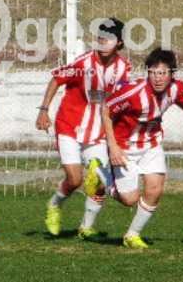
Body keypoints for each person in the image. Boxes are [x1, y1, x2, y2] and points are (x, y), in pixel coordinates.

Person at [102, 47, 183, 249]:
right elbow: (106, 109)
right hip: (125, 147)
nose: (157, 78)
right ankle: (101, 180)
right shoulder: (133, 92)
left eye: (162, 73)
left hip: (151, 144)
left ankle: (132, 235)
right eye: (153, 72)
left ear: (171, 74)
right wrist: (113, 147)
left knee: (155, 190)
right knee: (130, 199)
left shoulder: (176, 88)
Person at [35, 18, 131, 240]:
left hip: (98, 132)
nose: (103, 42)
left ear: (119, 43)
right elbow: (56, 79)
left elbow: (122, 100)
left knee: (99, 182)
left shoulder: (123, 68)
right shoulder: (83, 63)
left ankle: (86, 228)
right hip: (69, 126)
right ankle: (54, 204)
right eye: (100, 38)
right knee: (75, 179)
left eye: (109, 39)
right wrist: (43, 110)